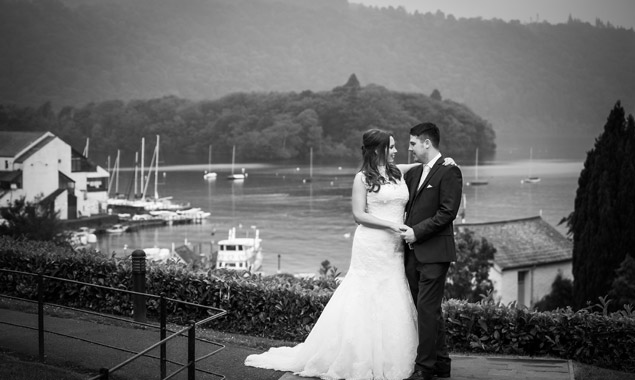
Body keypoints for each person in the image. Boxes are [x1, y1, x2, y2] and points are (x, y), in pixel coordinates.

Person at [245, 129, 455, 380]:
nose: (397, 150)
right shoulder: (362, 178)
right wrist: (390, 226)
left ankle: (395, 355)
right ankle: (357, 355)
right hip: (373, 243)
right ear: (378, 150)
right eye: (391, 147)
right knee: (364, 295)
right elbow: (359, 215)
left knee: (393, 294)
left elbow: (426, 165)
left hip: (395, 248)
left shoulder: (398, 171)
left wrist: (446, 162)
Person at [400, 122, 463, 380]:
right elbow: (393, 171)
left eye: (413, 143)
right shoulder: (414, 174)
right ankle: (442, 362)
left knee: (426, 309)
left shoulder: (450, 172)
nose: (409, 147)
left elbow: (448, 212)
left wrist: (417, 232)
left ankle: (424, 368)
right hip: (412, 254)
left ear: (427, 142)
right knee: (428, 309)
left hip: (435, 253)